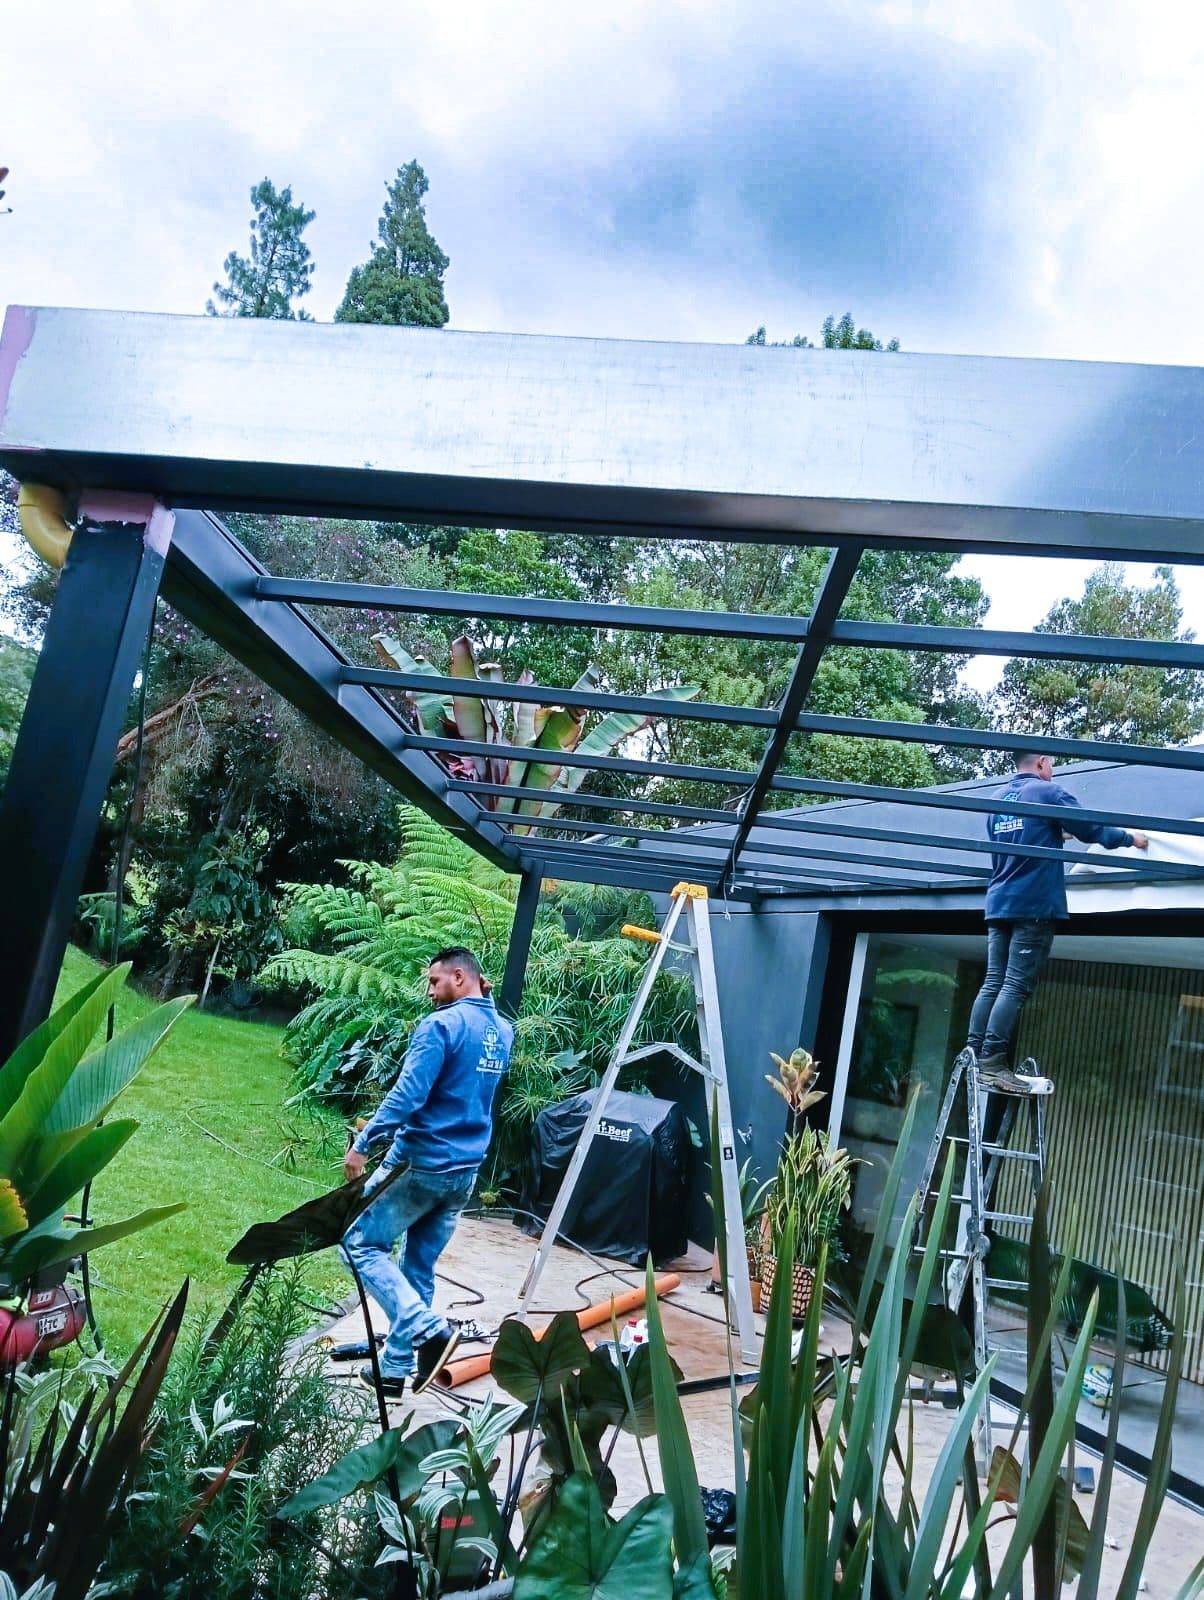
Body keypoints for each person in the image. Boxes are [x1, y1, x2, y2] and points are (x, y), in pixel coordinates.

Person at [341, 946, 513, 1397]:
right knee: (417, 1266)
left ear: (459, 977)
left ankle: (429, 1329)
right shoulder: (502, 1030)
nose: (430, 992)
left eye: (435, 981)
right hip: (464, 1174)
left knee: (355, 1242)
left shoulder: (441, 1026)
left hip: (421, 1165)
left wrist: (363, 1145)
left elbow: (409, 1095)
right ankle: (395, 1369)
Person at [965, 752, 1148, 1092]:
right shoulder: (1048, 792)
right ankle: (992, 1063)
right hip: (1033, 903)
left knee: (993, 982)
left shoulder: (997, 800)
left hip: (999, 902)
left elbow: (1020, 838)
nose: (1054, 769)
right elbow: (1092, 829)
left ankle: (973, 1055)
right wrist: (1131, 839)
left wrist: (1055, 834)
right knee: (1014, 985)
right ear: (1041, 762)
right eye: (1052, 764)